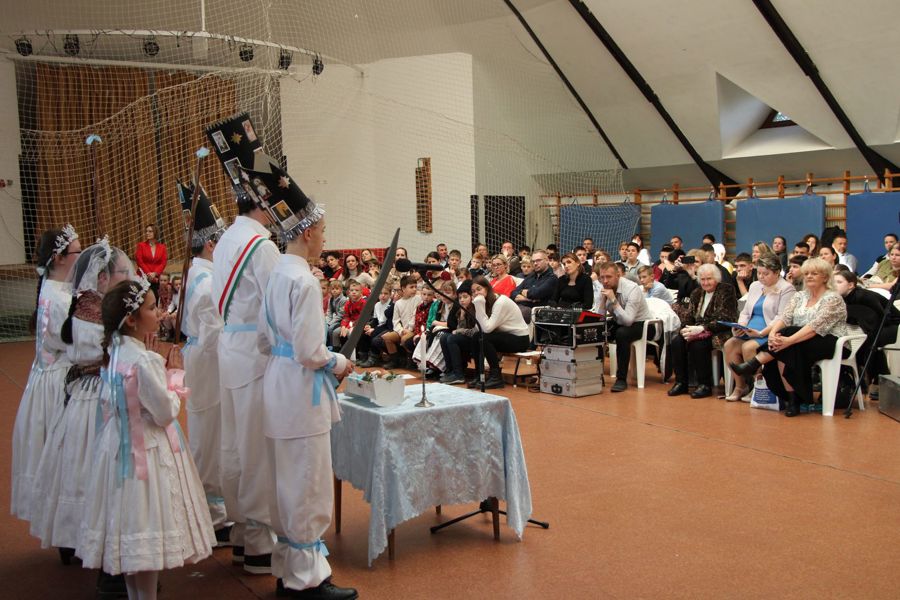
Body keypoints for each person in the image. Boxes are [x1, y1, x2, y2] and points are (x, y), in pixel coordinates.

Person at [77, 279, 215, 597]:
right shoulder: (144, 360)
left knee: (132, 536)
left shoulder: (115, 352)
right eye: (152, 308)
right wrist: (174, 374)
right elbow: (165, 411)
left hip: (116, 449)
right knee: (147, 531)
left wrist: (155, 367)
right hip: (147, 453)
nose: (159, 313)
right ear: (132, 319)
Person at [258, 198, 358, 598]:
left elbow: (265, 339)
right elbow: (309, 352)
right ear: (308, 232)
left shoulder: (276, 274)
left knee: (285, 480)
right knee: (308, 481)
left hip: (277, 382)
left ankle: (289, 568)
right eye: (323, 232)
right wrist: (339, 361)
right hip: (300, 389)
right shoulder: (303, 280)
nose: (325, 239)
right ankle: (307, 579)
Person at [29, 240, 131, 562]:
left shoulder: (88, 305)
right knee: (89, 465)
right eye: (122, 273)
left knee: (78, 464)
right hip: (93, 397)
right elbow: (111, 354)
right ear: (102, 278)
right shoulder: (93, 313)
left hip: (85, 395)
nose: (128, 278)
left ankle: (75, 538)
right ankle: (88, 538)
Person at [211, 170, 281, 570]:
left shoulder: (226, 240)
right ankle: (258, 541)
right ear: (262, 202)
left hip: (230, 347)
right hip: (254, 351)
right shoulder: (261, 246)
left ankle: (240, 530)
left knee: (234, 443)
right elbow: (277, 305)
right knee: (257, 448)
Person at [11, 225, 80, 522]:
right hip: (58, 383)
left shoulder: (56, 290)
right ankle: (64, 522)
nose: (81, 256)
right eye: (77, 251)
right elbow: (75, 344)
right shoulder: (60, 299)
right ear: (59, 258)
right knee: (65, 453)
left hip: (46, 378)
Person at [178, 184, 232, 546]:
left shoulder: (195, 272)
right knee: (210, 435)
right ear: (211, 244)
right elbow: (216, 333)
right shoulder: (207, 279)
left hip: (199, 356)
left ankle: (212, 508)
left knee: (208, 430)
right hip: (209, 361)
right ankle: (213, 515)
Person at [731, 258, 848, 417]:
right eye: (807, 273)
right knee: (786, 346)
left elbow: (814, 327)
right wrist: (773, 334)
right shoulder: (800, 296)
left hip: (829, 341)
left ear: (825, 277)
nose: (809, 276)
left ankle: (757, 364)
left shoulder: (833, 298)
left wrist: (788, 340)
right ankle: (793, 399)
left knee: (787, 339)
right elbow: (784, 318)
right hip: (800, 340)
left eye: (814, 273)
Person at [723, 254, 796, 401]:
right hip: (750, 329)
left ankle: (758, 388)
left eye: (766, 274)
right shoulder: (755, 286)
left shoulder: (787, 288)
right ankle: (740, 386)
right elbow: (745, 312)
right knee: (729, 344)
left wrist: (761, 332)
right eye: (759, 273)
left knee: (748, 347)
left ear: (777, 272)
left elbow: (782, 317)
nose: (761, 277)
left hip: (770, 331)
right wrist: (741, 326)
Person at [666, 264, 738, 399]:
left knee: (698, 345)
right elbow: (689, 316)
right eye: (702, 279)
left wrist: (703, 328)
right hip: (696, 330)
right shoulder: (696, 293)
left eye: (709, 279)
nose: (705, 283)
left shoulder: (727, 290)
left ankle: (704, 384)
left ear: (716, 278)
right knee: (677, 342)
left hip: (719, 331)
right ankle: (681, 382)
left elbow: (726, 317)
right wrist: (686, 329)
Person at [835, 270, 900, 400]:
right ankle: (857, 379)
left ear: (851, 285)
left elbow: (883, 317)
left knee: (871, 342)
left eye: (839, 282)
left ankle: (877, 381)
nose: (834, 285)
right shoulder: (839, 299)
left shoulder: (864, 296)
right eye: (833, 282)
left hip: (892, 325)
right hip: (870, 326)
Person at [596, 262, 653, 392]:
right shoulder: (604, 288)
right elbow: (600, 318)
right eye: (602, 277)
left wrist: (613, 300)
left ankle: (621, 379)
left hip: (641, 324)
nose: (605, 281)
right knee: (597, 330)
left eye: (608, 277)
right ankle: (596, 374)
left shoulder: (632, 289)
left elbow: (628, 321)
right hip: (619, 321)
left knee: (622, 333)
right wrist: (603, 301)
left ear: (618, 275)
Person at [468, 276, 530, 389]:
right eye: (473, 291)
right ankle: (479, 375)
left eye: (479, 289)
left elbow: (487, 329)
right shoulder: (485, 302)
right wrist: (478, 305)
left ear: (487, 288)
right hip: (505, 336)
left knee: (485, 338)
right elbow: (479, 328)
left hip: (519, 339)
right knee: (477, 336)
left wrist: (479, 305)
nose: (476, 293)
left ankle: (496, 377)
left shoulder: (501, 302)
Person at [439, 281, 478, 385]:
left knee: (452, 338)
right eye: (460, 298)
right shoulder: (461, 309)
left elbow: (475, 331)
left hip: (475, 339)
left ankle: (458, 374)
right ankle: (450, 370)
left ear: (471, 297)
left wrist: (459, 330)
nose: (462, 300)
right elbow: (459, 329)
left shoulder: (475, 309)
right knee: (444, 337)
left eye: (465, 297)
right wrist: (462, 316)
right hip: (466, 338)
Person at [381, 275, 419, 369]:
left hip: (414, 329)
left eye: (415, 287)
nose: (414, 289)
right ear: (403, 288)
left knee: (404, 339)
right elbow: (396, 320)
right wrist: (400, 330)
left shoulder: (418, 299)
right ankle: (395, 361)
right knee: (386, 337)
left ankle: (411, 360)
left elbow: (415, 316)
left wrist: (409, 329)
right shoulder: (398, 303)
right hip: (403, 330)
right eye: (411, 287)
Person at [510, 249, 558, 322]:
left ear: (547, 260)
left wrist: (524, 293)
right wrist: (527, 298)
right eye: (533, 261)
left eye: (538, 260)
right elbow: (513, 293)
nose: (535, 263)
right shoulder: (531, 276)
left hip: (538, 313)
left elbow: (536, 294)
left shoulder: (552, 278)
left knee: (512, 312)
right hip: (522, 308)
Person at [135, 224, 167, 298]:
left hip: (156, 278)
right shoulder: (141, 245)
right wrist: (148, 273)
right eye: (146, 231)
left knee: (155, 298)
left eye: (150, 231)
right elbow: (139, 261)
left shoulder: (162, 247)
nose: (147, 233)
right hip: (143, 277)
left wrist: (155, 273)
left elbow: (163, 262)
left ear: (155, 232)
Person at [325, 280, 347, 349]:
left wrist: (331, 323)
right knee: (324, 325)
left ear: (341, 290)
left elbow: (341, 315)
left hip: (341, 320)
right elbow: (329, 311)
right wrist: (327, 321)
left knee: (331, 328)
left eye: (337, 289)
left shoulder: (343, 300)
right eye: (333, 289)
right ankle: (325, 344)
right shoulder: (331, 299)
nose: (334, 290)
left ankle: (332, 345)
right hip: (334, 319)